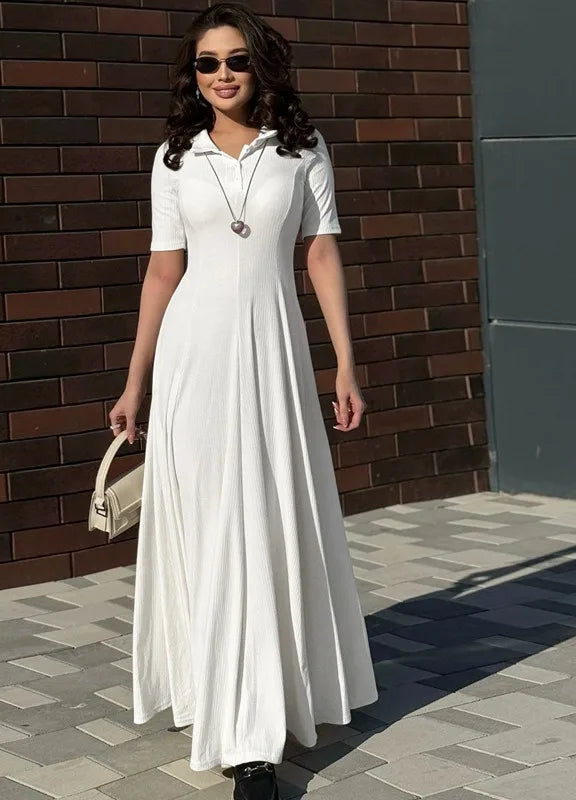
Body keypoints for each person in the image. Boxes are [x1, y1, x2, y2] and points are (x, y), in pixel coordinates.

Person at [107, 4, 378, 798]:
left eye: (236, 60)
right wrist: (135, 381)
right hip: (194, 359)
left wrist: (346, 363)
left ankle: (260, 715)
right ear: (190, 75)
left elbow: (321, 254)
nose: (221, 75)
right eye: (205, 63)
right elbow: (163, 271)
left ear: (261, 66)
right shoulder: (174, 158)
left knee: (265, 518)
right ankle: (237, 727)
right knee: (211, 525)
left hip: (274, 357)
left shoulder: (301, 149)